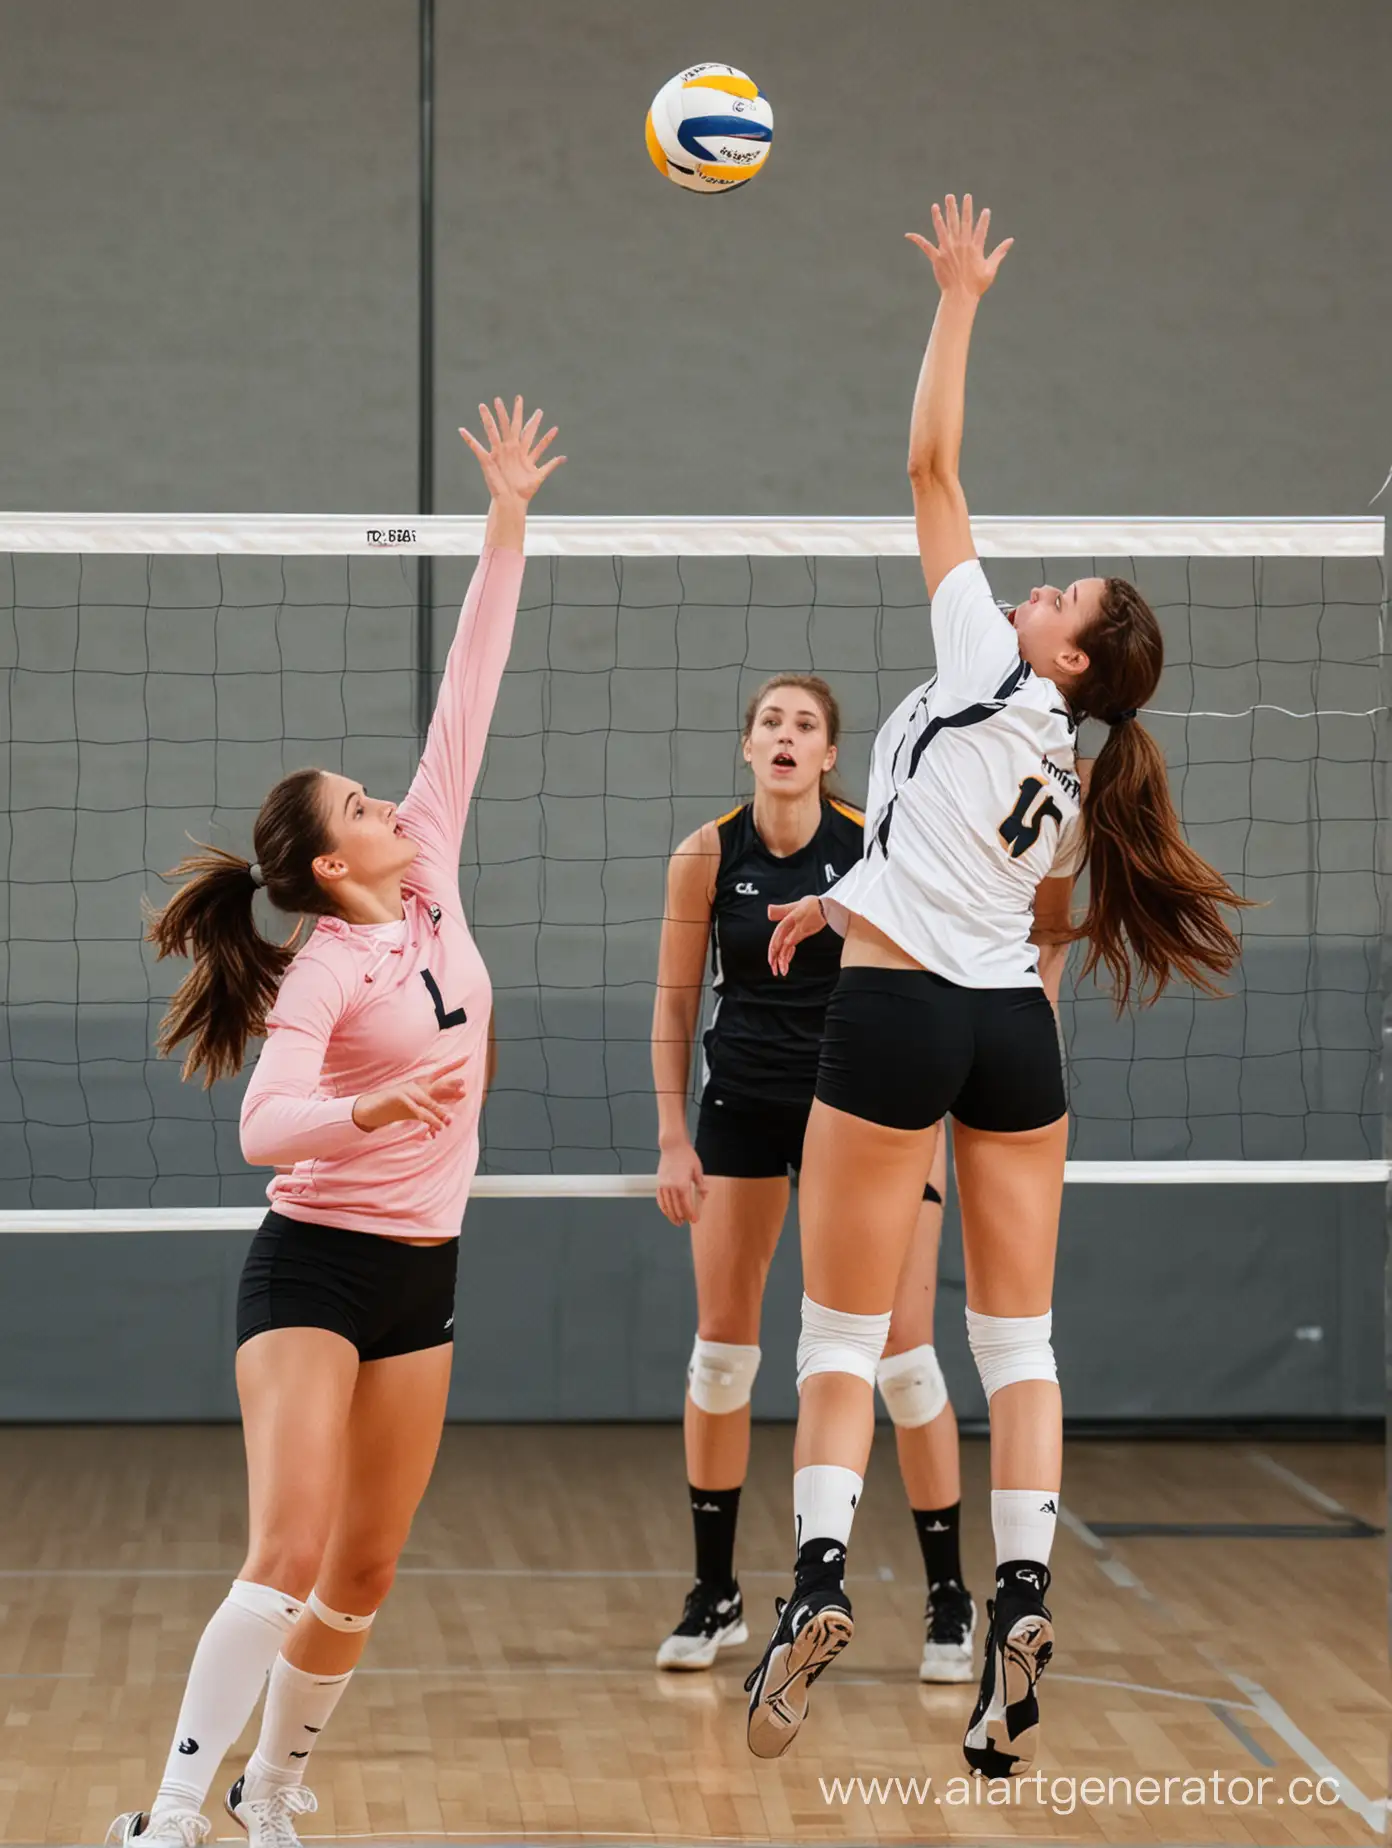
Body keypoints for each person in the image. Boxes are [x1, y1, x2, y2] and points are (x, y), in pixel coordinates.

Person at [744, 197, 1248, 1776]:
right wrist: (843, 901)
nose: (1031, 589)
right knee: (1017, 1348)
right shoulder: (1071, 770)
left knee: (836, 1334)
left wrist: (960, 302)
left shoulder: (992, 669)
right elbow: (991, 898)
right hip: (1010, 1038)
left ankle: (818, 1583)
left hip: (895, 1023)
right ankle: (1020, 1602)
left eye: (1061, 598)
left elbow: (931, 473)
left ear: (1073, 660)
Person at [107, 399, 563, 1848]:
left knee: (362, 1575)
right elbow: (264, 1128)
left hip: (423, 1274)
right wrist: (371, 1104)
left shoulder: (431, 880)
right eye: (366, 804)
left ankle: (273, 1793)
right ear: (326, 858)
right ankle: (172, 1814)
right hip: (311, 1269)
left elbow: (467, 696)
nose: (395, 805)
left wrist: (506, 521)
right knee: (289, 1553)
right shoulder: (324, 965)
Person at [652, 676, 974, 1684]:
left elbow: (926, 989)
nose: (786, 738)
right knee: (721, 1355)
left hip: (865, 1112)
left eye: (806, 726)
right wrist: (672, 1134)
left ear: (831, 754)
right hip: (742, 1103)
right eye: (770, 724)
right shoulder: (707, 854)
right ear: (747, 746)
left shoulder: (871, 843)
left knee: (905, 1356)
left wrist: (926, 1138)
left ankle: (949, 1597)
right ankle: (717, 1595)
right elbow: (671, 1010)